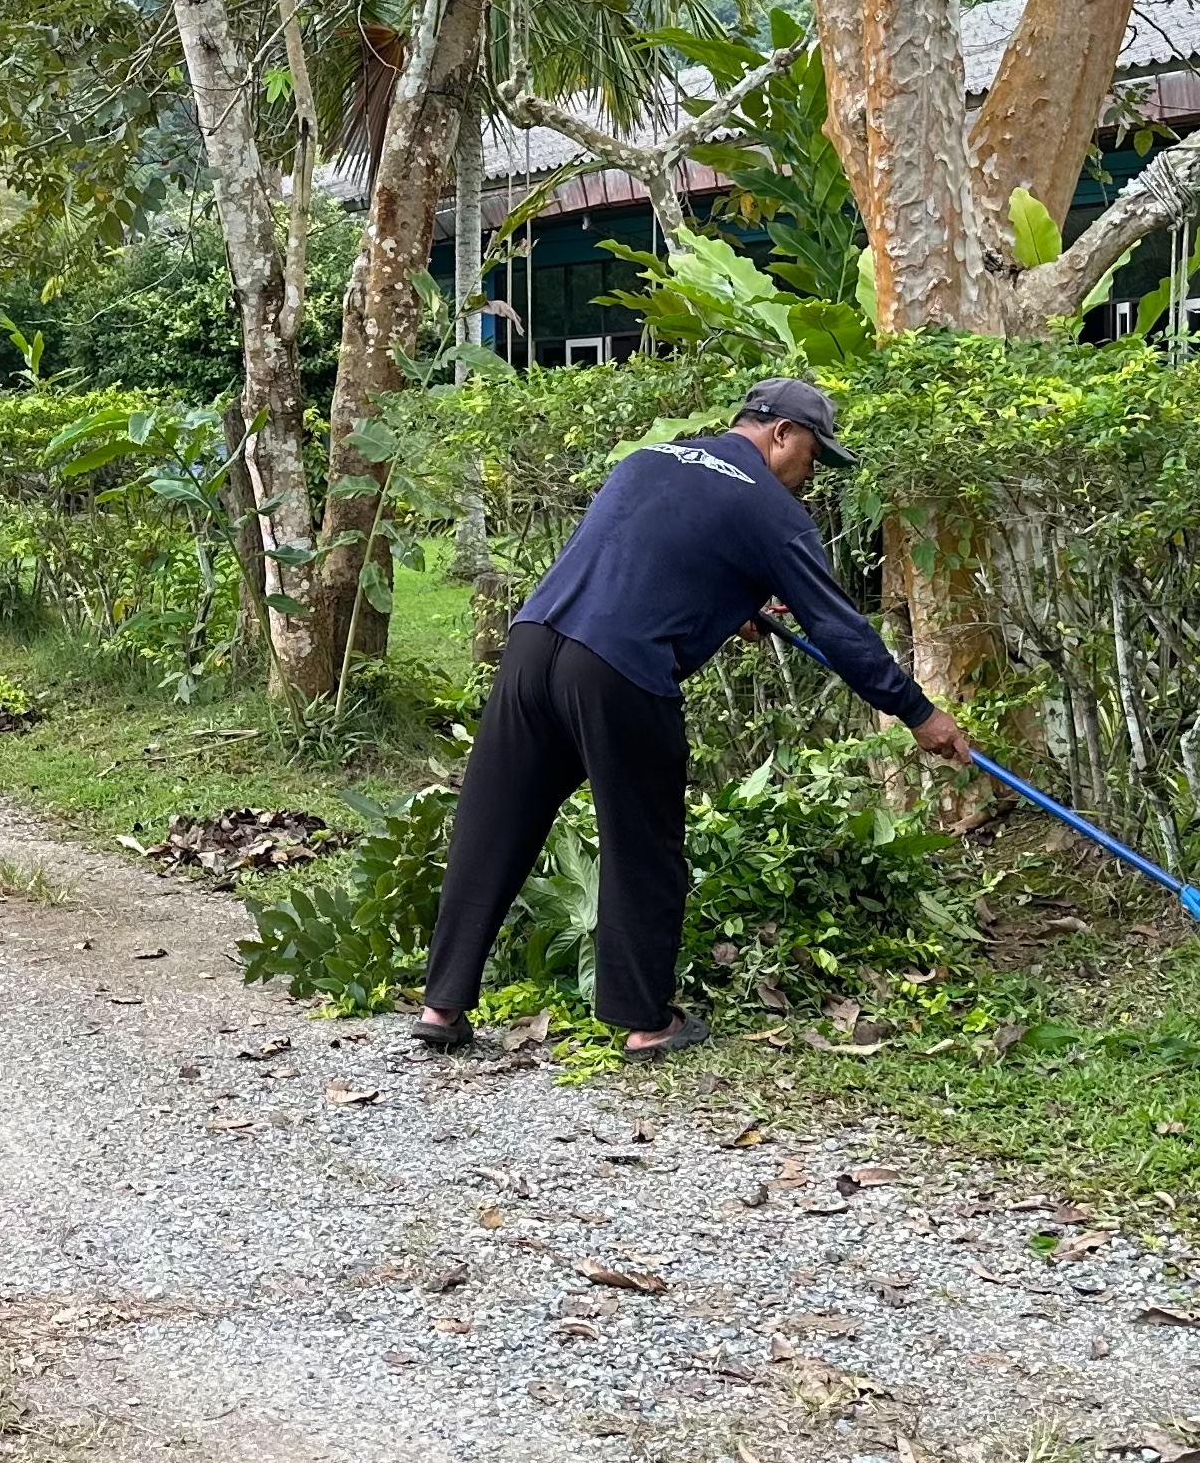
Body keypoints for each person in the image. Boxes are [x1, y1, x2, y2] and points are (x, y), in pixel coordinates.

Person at [417, 376, 974, 1063]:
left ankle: (442, 1004)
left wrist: (726, 603)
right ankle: (644, 1020)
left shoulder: (650, 459)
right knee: (643, 845)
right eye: (811, 458)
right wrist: (918, 713)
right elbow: (839, 627)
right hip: (618, 671)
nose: (809, 479)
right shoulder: (772, 510)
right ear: (780, 434)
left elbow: (642, 560)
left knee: (493, 823)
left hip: (534, 647)